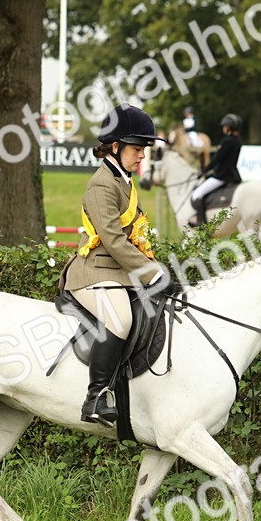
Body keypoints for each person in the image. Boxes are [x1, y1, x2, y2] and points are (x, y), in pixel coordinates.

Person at [58, 103, 173, 427]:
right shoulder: (101, 184)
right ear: (115, 146)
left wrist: (158, 267)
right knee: (120, 319)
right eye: (137, 149)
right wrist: (152, 273)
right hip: (93, 271)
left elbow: (134, 237)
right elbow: (112, 240)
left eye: (143, 150)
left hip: (118, 272)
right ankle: (95, 397)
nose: (141, 156)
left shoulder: (123, 181)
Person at [188, 113, 244, 227]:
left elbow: (217, 159)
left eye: (224, 126)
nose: (223, 128)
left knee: (197, 194)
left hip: (222, 176)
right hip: (233, 175)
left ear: (227, 127)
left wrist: (204, 171)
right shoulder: (238, 141)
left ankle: (201, 222)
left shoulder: (226, 141)